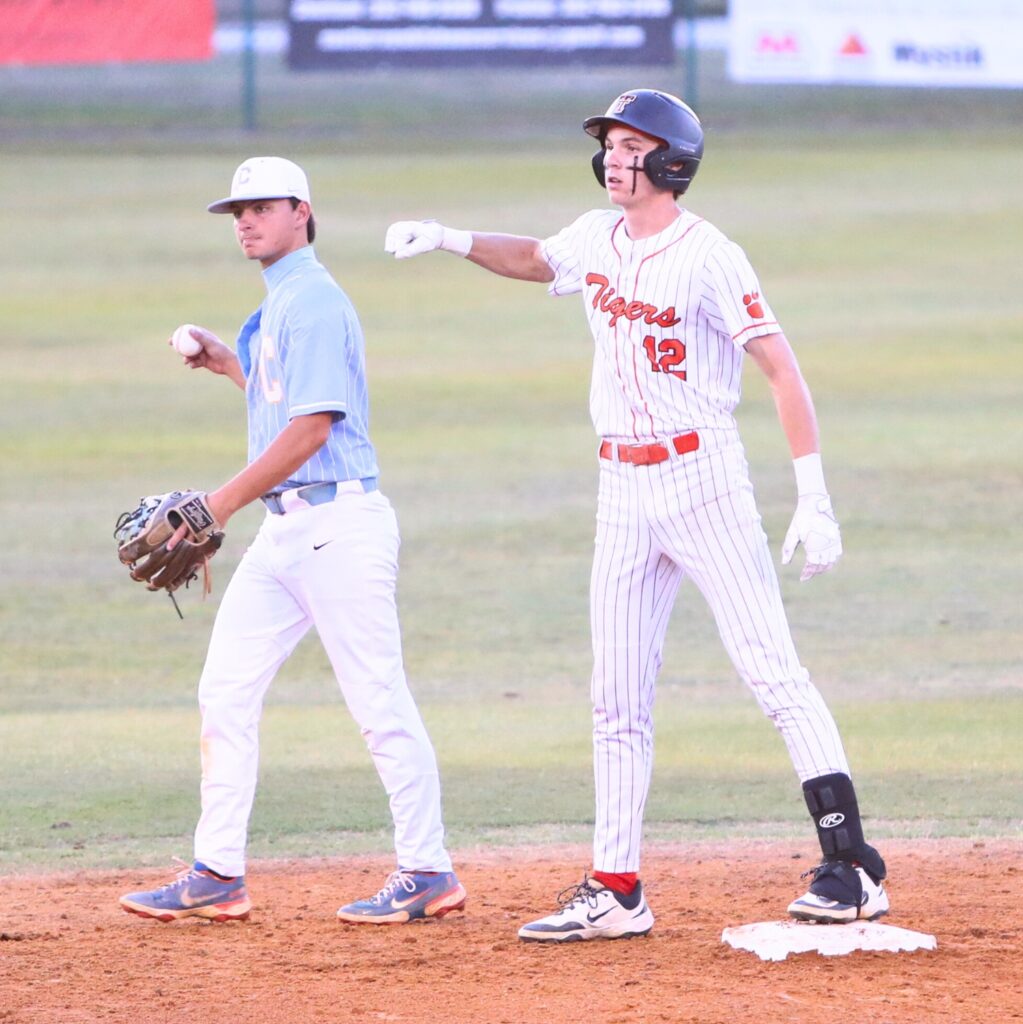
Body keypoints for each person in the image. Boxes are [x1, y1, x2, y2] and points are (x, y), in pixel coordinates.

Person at [384, 90, 887, 942]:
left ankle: (853, 867)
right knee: (615, 698)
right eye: (609, 145)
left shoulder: (710, 256)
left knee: (771, 672)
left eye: (631, 145)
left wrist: (814, 495)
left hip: (705, 480)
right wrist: (451, 238)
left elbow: (780, 369)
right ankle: (617, 888)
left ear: (672, 162)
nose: (616, 158)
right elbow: (538, 260)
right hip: (621, 489)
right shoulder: (595, 235)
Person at [119, 157, 466, 926]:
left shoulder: (313, 300)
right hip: (288, 533)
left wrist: (215, 506)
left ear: (301, 212)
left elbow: (314, 427)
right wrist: (227, 365)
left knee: (378, 700)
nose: (244, 220)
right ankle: (218, 873)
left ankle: (428, 869)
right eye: (236, 211)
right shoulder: (282, 302)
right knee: (226, 691)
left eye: (260, 207)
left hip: (338, 527)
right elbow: (286, 400)